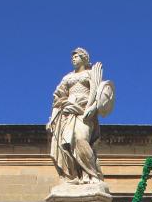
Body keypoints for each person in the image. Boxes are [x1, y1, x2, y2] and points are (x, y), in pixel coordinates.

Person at [46, 48, 115, 183]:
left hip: (85, 112)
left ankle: (92, 175)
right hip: (67, 112)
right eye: (73, 57)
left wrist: (93, 107)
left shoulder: (90, 74)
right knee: (66, 145)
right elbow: (58, 99)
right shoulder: (67, 78)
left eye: (76, 56)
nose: (73, 59)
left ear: (84, 58)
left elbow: (100, 95)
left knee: (81, 139)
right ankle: (75, 176)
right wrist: (52, 119)